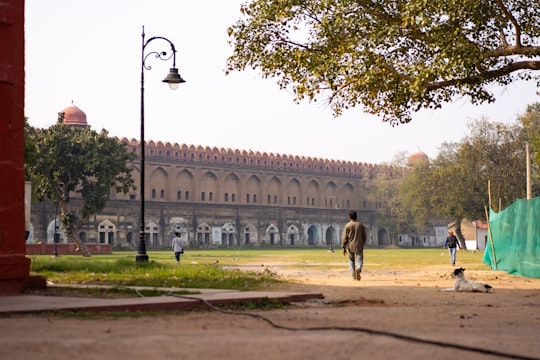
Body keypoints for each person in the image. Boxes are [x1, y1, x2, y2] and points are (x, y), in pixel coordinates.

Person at [341, 210, 367, 281]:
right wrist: (362, 242)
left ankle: (353, 274)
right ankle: (358, 268)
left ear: (349, 217)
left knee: (351, 260)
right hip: (359, 244)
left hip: (350, 245)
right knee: (359, 258)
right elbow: (364, 236)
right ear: (356, 216)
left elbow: (344, 237)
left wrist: (343, 247)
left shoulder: (347, 225)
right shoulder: (360, 225)